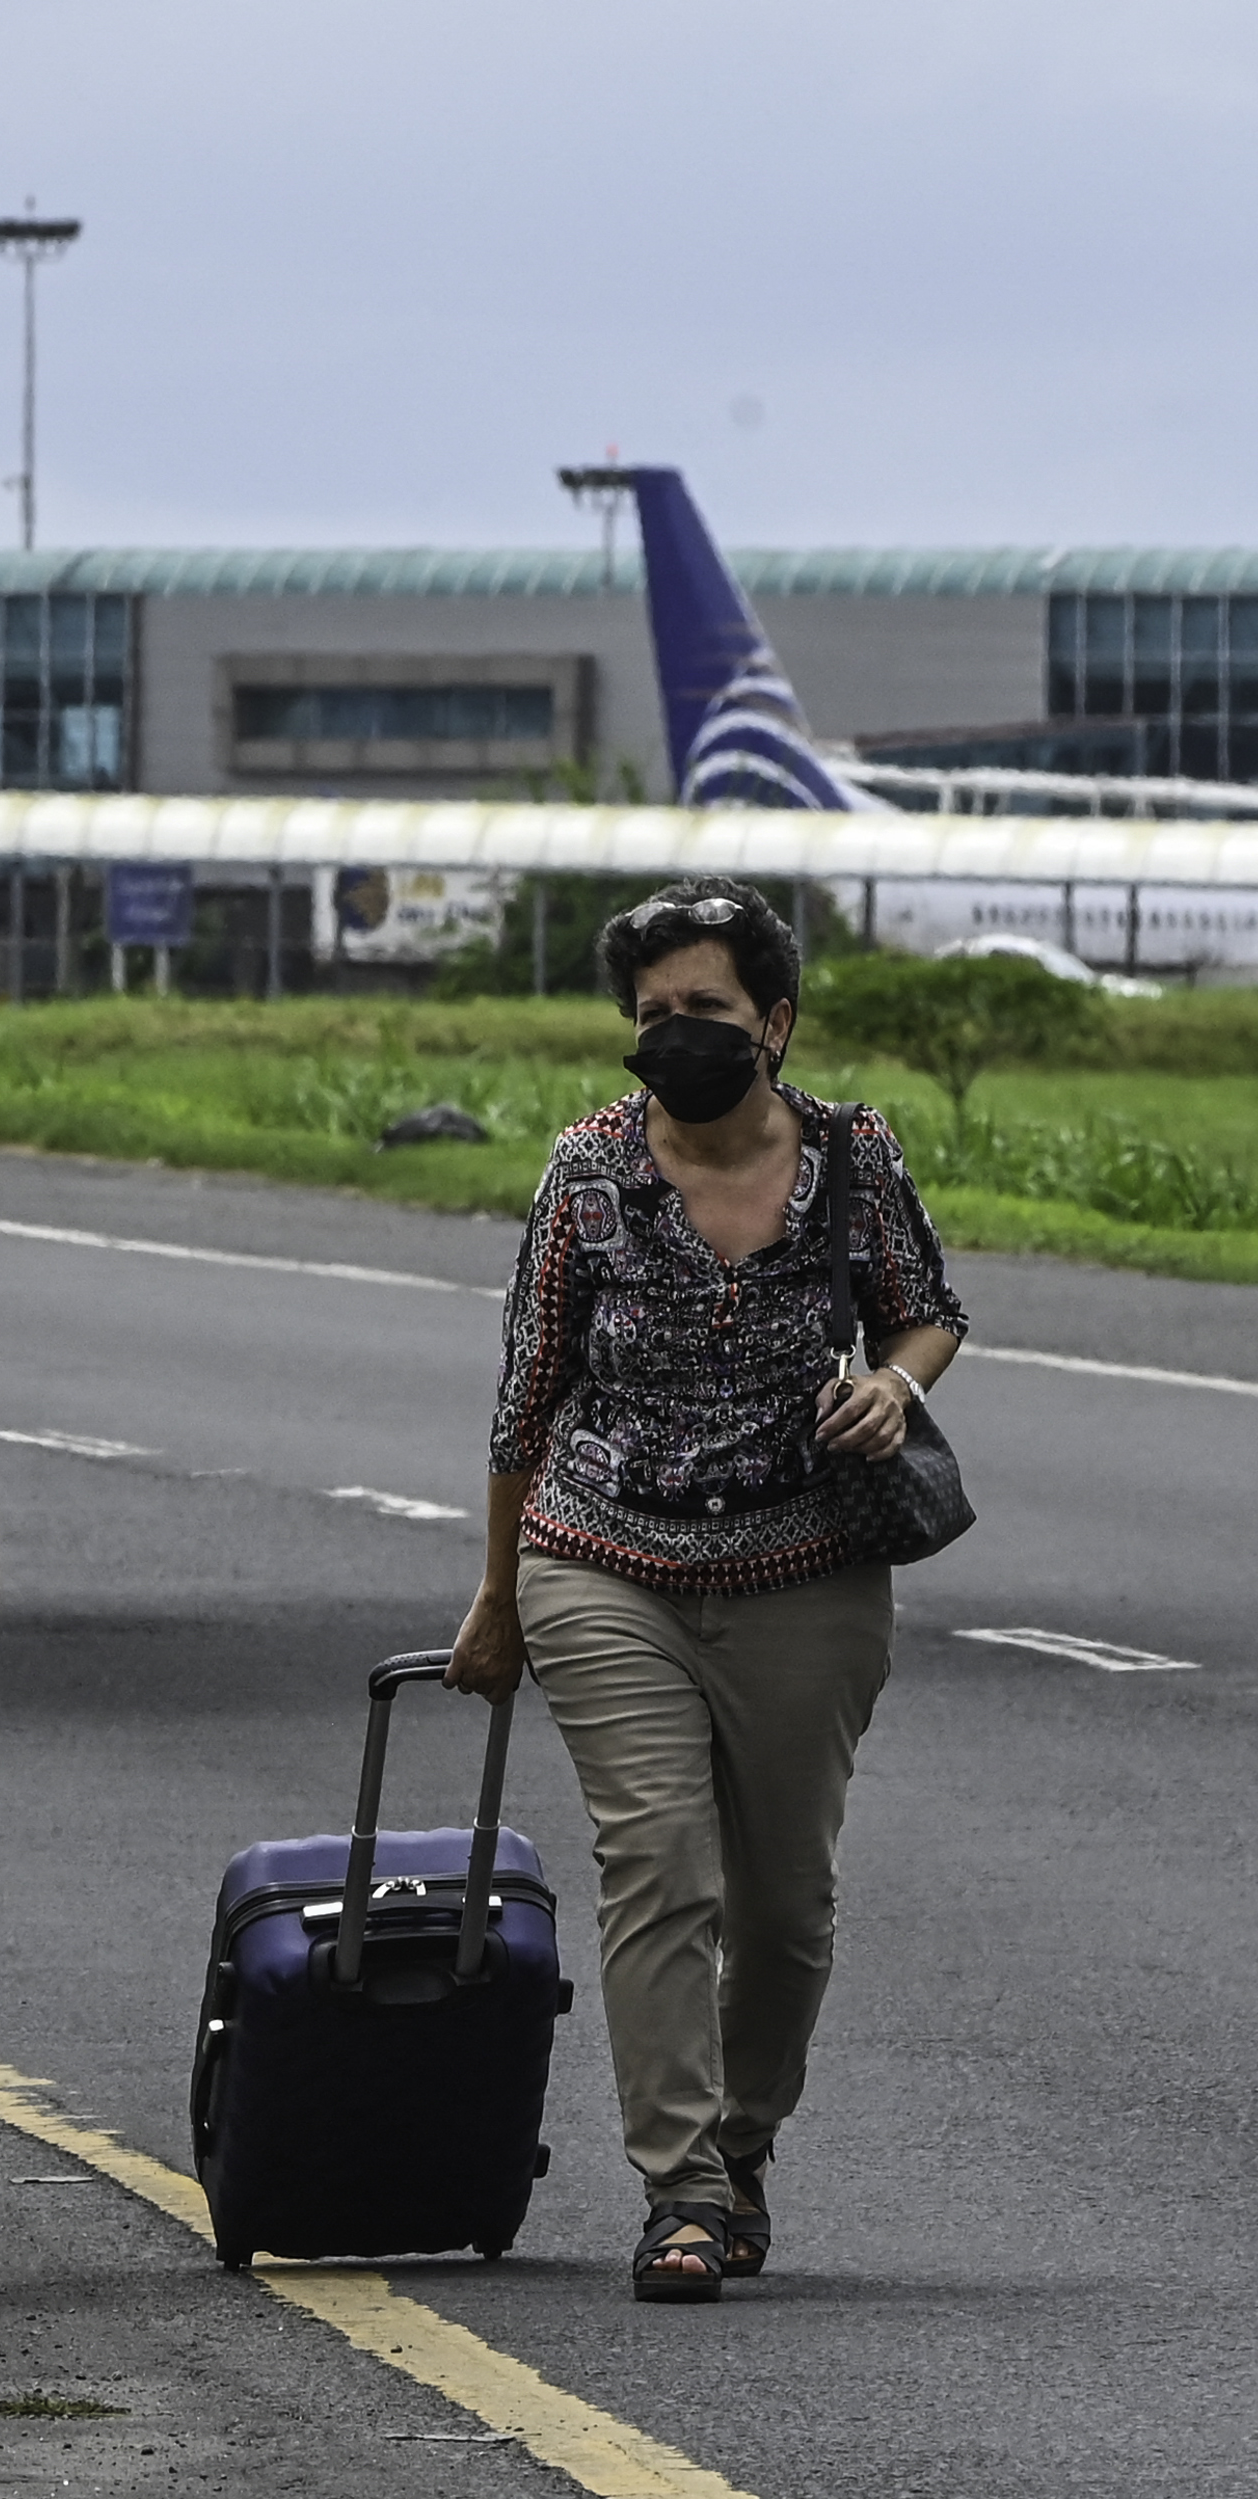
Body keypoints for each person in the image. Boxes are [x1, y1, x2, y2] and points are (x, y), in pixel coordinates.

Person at [446, 882, 965, 2304]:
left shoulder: (852, 1158)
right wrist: (497, 1595)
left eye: (709, 1013)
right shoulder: (588, 1174)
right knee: (659, 1867)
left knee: (786, 1905)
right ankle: (678, 2191)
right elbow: (524, 1397)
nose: (676, 1038)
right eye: (654, 1015)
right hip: (604, 1554)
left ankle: (741, 2151)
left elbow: (930, 1306)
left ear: (777, 1023)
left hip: (806, 1565)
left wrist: (891, 1385)